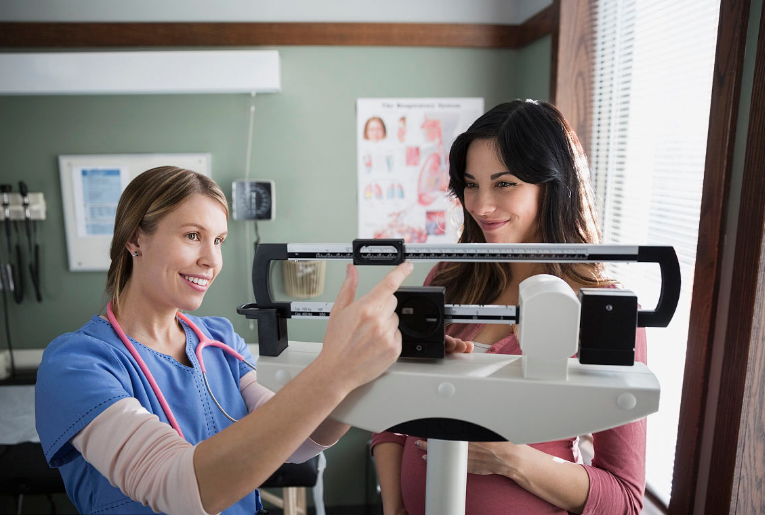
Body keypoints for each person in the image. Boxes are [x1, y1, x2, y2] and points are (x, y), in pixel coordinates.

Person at [35, 166, 418, 515]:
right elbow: (176, 487)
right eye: (192, 236)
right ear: (136, 239)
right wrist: (335, 370)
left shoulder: (217, 339)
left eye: (218, 240)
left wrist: (371, 364)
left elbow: (303, 440)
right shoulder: (75, 364)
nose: (211, 259)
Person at [371, 99, 648, 515]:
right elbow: (394, 410)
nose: (480, 206)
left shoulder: (604, 311)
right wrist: (394, 509)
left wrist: (510, 458)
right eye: (470, 184)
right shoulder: (450, 276)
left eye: (504, 184)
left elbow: (624, 499)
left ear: (553, 185)